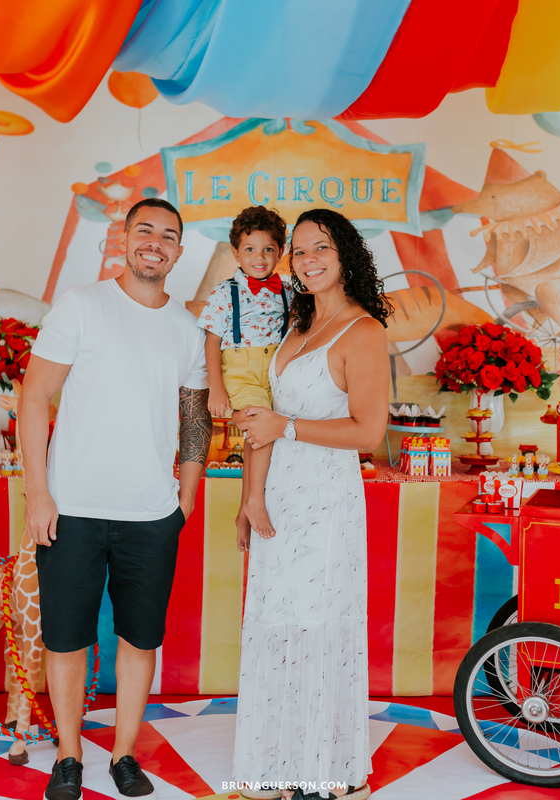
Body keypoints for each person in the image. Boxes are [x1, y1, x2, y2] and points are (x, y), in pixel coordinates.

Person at [19, 197, 212, 800]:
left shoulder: (186, 328)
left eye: (168, 236)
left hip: (151, 515)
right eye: (145, 231)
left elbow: (195, 420)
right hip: (72, 508)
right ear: (123, 239)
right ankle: (70, 755)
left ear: (179, 252)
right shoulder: (81, 306)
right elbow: (33, 398)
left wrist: (185, 497)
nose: (155, 242)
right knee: (67, 638)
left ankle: (124, 754)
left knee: (139, 639)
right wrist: (38, 494)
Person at [233, 208, 391, 800]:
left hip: (325, 501)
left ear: (344, 253)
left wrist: (287, 426)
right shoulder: (295, 324)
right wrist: (251, 498)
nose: (306, 259)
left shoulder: (364, 331)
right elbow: (258, 423)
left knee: (315, 623)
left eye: (319, 246)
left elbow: (369, 432)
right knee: (275, 620)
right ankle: (276, 765)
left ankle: (321, 768)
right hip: (277, 496)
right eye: (297, 251)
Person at [196, 206, 291, 550]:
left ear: (281, 251)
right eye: (250, 249)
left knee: (257, 433)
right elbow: (211, 341)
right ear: (236, 252)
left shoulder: (288, 292)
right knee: (262, 426)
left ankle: (243, 508)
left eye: (268, 249)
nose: (260, 257)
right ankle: (254, 500)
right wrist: (216, 388)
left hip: (274, 370)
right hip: (239, 368)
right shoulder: (225, 292)